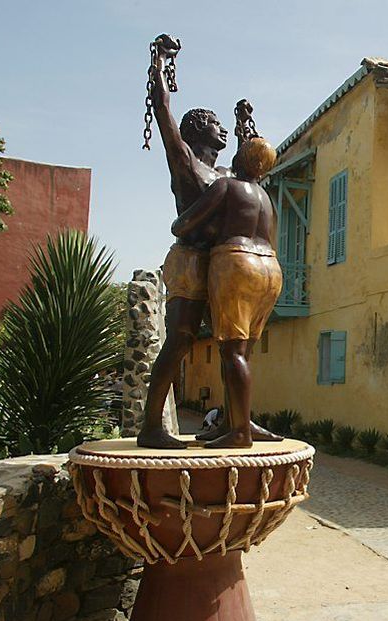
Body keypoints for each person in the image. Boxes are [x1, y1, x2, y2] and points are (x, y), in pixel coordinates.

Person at [138, 34, 232, 449]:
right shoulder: (186, 162)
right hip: (190, 259)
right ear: (197, 129)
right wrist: (158, 64)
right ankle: (151, 427)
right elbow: (162, 112)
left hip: (221, 263)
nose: (222, 128)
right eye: (216, 123)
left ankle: (235, 423)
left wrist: (248, 125)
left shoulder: (227, 174)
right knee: (180, 340)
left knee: (234, 342)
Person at [171, 133, 283, 447]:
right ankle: (238, 422)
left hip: (237, 263)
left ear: (239, 160)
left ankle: (240, 432)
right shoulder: (264, 197)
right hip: (271, 270)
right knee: (243, 352)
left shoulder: (226, 185)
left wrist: (188, 230)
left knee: (232, 352)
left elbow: (183, 225)